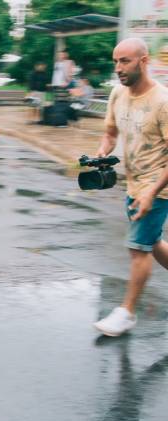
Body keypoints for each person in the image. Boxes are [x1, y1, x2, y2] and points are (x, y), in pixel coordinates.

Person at [93, 38, 168, 337]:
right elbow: (110, 133)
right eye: (115, 62)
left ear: (143, 61)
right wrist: (102, 152)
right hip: (134, 183)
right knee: (152, 241)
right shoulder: (117, 95)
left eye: (125, 61)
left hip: (159, 186)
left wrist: (152, 192)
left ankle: (126, 312)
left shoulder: (163, 101)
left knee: (138, 248)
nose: (118, 68)